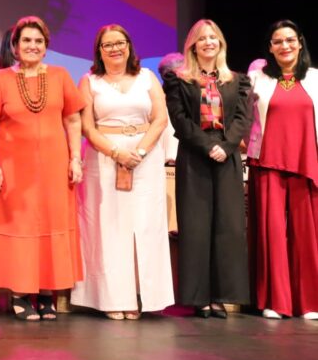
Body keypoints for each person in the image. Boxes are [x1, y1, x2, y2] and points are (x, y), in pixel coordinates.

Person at [0, 16, 84, 321]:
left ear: (46, 46)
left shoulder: (61, 75)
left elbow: (72, 120)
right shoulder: (0, 78)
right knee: (20, 227)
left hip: (54, 167)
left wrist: (75, 158)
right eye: (26, 40)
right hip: (13, 169)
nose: (32, 46)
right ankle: (20, 293)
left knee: (51, 224)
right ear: (15, 45)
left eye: (38, 41)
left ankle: (48, 293)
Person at [70, 24, 174, 320]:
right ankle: (112, 298)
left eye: (120, 42)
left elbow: (160, 118)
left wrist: (139, 152)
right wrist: (116, 152)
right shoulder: (90, 81)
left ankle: (140, 296)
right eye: (108, 44)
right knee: (109, 227)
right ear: (99, 51)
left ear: (129, 46)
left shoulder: (147, 77)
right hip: (104, 158)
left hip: (145, 159)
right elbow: (86, 126)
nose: (115, 48)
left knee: (145, 226)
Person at [163, 19, 251, 319]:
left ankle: (221, 295)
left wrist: (226, 146)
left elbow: (243, 118)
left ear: (221, 43)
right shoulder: (178, 79)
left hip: (227, 154)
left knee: (228, 227)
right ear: (193, 46)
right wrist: (206, 145)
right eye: (202, 38)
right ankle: (198, 297)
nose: (208, 42)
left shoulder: (237, 80)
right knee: (196, 227)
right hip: (194, 153)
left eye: (213, 37)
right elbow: (179, 118)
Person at [247, 20, 318, 320]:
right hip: (267, 162)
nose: (285, 46)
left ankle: (310, 302)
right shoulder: (256, 79)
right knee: (272, 233)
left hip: (308, 164)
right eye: (278, 41)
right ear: (270, 48)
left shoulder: (315, 78)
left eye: (290, 40)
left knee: (307, 234)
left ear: (300, 43)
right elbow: (242, 118)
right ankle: (275, 301)